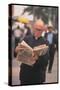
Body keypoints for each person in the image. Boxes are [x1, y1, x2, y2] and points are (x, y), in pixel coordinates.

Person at [15, 19, 49, 85]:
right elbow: (17, 53)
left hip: (37, 76)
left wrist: (37, 59)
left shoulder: (45, 42)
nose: (38, 31)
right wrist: (16, 50)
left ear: (43, 30)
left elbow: (46, 61)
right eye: (36, 29)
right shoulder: (26, 38)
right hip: (25, 74)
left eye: (40, 30)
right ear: (33, 28)